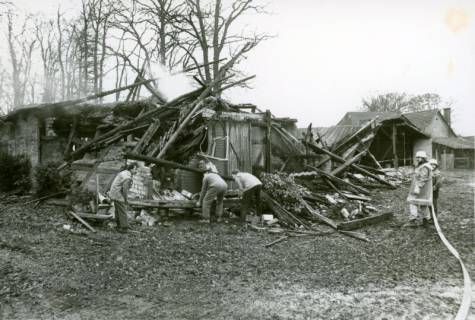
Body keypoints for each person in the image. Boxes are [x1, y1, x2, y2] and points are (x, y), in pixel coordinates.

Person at [108, 162, 139, 232]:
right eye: (135, 169)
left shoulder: (125, 172)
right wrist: (125, 199)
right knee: (122, 210)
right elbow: (125, 190)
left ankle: (119, 225)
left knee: (118, 210)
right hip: (117, 193)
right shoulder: (127, 177)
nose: (136, 171)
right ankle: (124, 228)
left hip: (114, 192)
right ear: (131, 169)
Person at [406, 151, 433, 227]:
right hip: (422, 190)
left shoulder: (425, 167)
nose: (417, 159)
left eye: (419, 157)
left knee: (412, 202)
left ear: (423, 158)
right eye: (417, 157)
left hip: (420, 189)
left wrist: (418, 187)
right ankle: (426, 221)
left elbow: (423, 178)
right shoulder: (423, 166)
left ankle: (412, 221)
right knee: (423, 204)